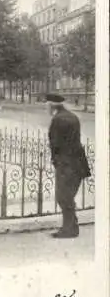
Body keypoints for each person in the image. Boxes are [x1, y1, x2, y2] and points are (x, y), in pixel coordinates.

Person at [46, 93, 91, 238]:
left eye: (46, 104)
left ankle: (69, 229)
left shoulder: (57, 119)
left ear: (52, 105)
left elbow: (55, 144)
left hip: (66, 163)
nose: (46, 107)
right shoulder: (72, 116)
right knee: (68, 196)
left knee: (63, 196)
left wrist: (56, 161)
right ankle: (72, 226)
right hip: (78, 162)